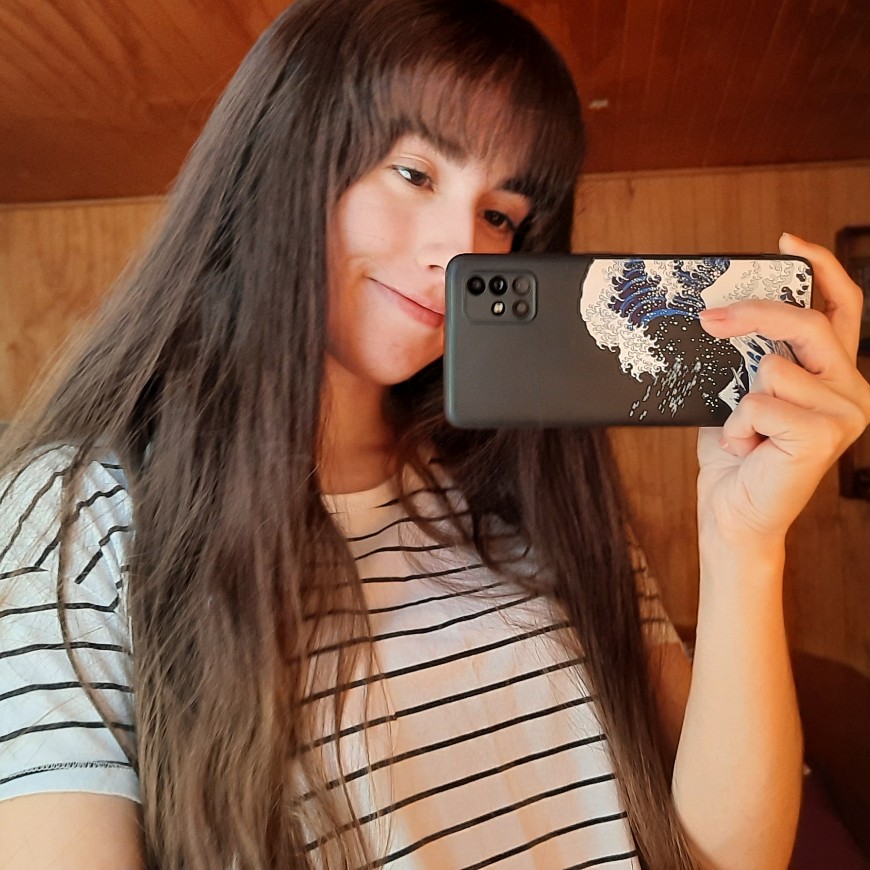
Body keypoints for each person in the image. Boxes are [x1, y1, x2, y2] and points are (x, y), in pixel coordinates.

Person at [0, 1, 867, 867]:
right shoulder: (80, 519)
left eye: (500, 215)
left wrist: (744, 544)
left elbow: (733, 859)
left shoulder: (535, 489)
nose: (461, 249)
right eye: (414, 173)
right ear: (279, 156)